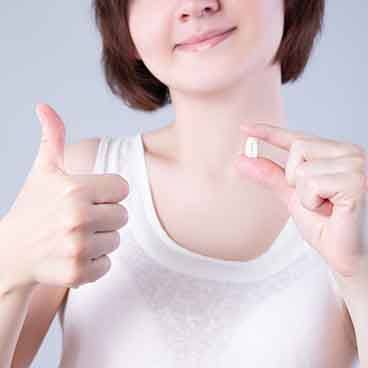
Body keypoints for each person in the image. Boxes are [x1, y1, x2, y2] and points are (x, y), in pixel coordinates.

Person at [0, 0, 361, 367]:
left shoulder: (352, 206)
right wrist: (10, 268)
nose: (195, 5)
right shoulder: (80, 182)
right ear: (125, 30)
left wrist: (358, 273)